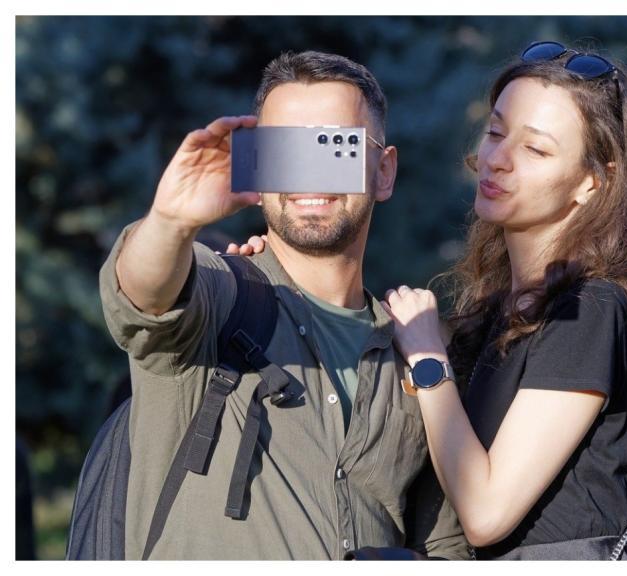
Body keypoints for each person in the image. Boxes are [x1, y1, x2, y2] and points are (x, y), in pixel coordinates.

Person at [233, 42, 627, 560]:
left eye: (536, 150)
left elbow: (485, 514)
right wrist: (274, 260)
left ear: (593, 182)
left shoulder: (590, 308)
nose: (498, 159)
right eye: (496, 132)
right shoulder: (499, 317)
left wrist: (429, 361)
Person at [99, 50, 468, 560]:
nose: (308, 176)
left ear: (384, 172)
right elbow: (142, 298)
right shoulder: (220, 294)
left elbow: (443, 544)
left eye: (335, 147)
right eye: (285, 152)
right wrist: (170, 221)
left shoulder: (415, 350)